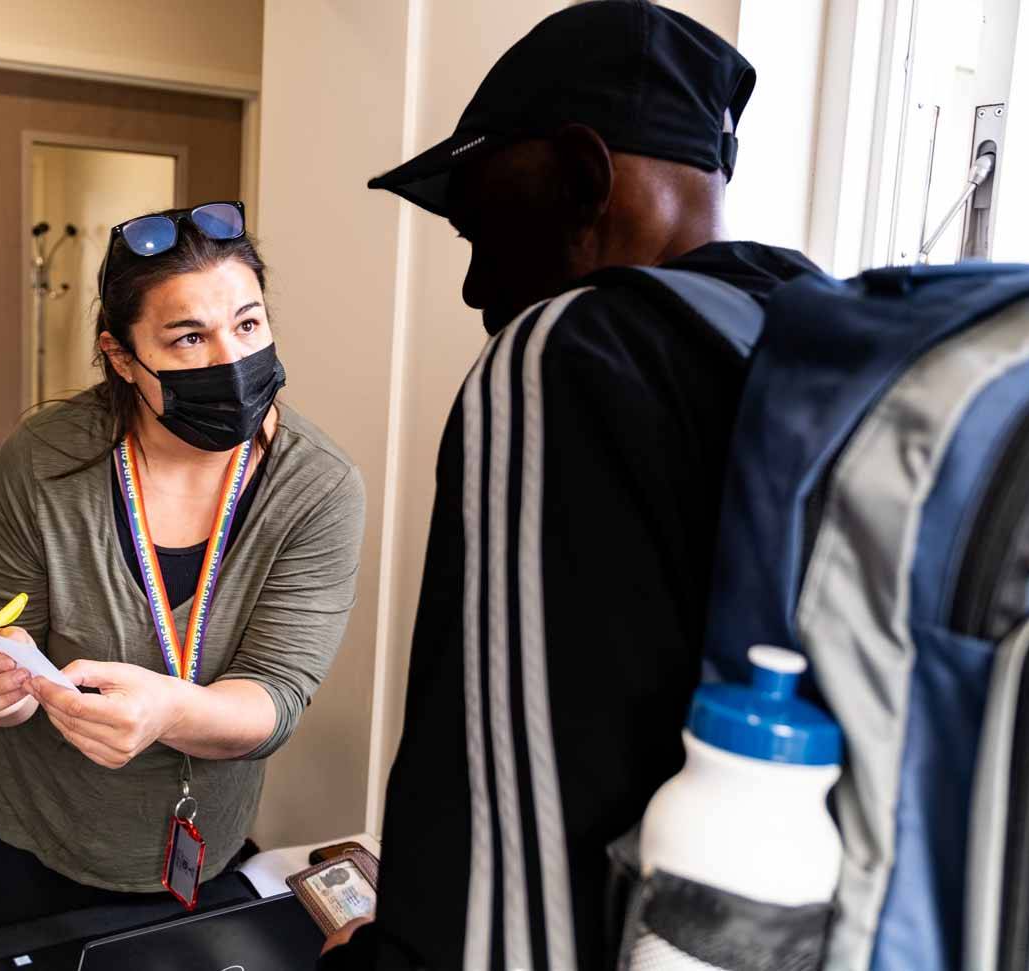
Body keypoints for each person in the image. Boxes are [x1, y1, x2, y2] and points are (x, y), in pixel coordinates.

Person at [322, 3, 821, 968]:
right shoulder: (808, 339)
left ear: (586, 178)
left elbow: (495, 834)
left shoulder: (566, 354)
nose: (474, 288)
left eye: (483, 226)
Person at [0, 202, 366, 933]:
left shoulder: (318, 487)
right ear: (122, 356)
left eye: (248, 323)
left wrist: (170, 709)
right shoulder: (45, 458)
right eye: (189, 336)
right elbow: (4, 637)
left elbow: (276, 693)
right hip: (24, 832)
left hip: (199, 845)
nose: (230, 359)